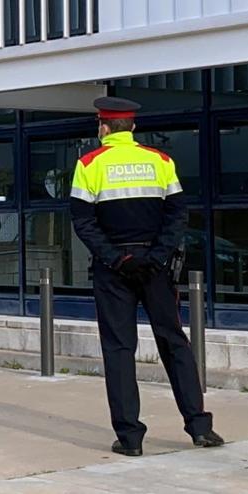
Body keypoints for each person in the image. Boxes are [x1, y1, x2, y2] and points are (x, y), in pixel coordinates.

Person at [69, 97, 224, 456]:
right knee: (173, 343)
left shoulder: (89, 164)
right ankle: (200, 427)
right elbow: (177, 217)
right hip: (157, 269)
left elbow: (83, 223)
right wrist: (156, 257)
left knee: (120, 349)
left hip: (113, 270)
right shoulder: (161, 161)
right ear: (133, 127)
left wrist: (118, 259)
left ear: (103, 128)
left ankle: (130, 438)